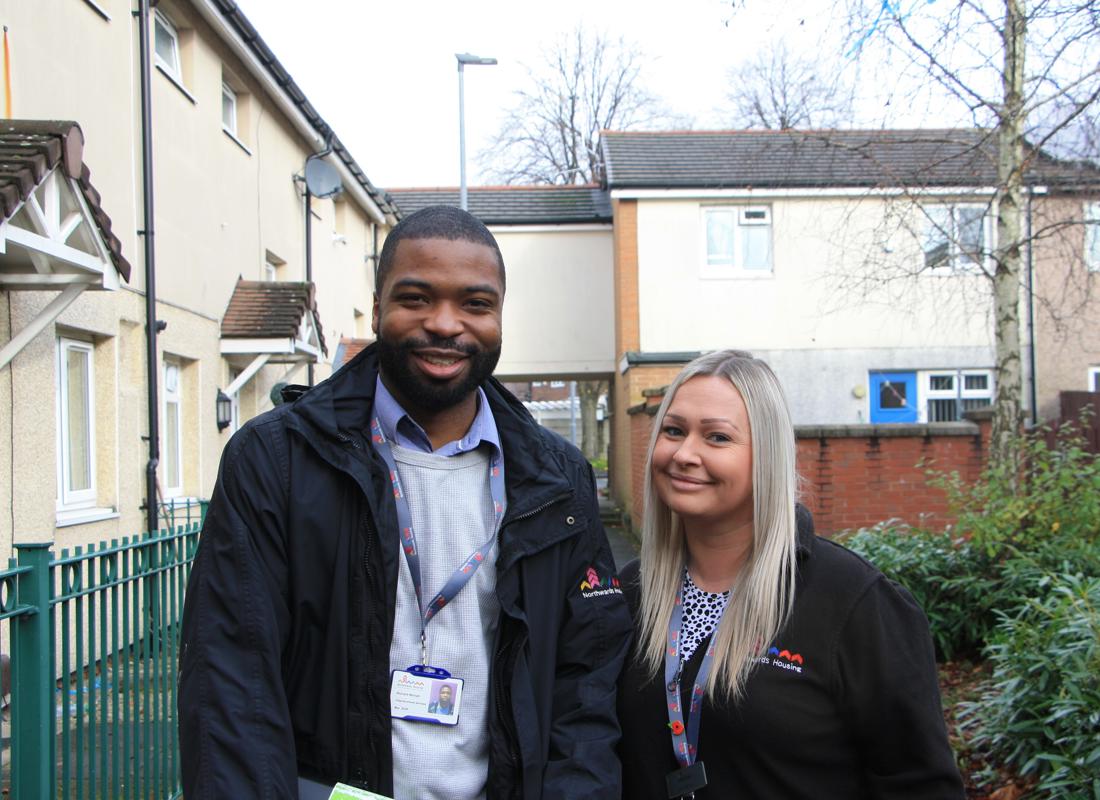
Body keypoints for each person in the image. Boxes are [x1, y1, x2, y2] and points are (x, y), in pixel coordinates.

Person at [178, 205, 633, 799]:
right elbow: (230, 683)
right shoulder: (276, 460)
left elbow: (587, 683)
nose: (446, 324)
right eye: (416, 298)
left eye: (475, 304)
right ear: (376, 308)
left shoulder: (557, 479)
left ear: (499, 315)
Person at [617, 350, 965, 799]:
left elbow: (920, 786)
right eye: (673, 431)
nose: (685, 454)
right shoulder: (628, 595)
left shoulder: (854, 604)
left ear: (767, 455)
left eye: (717, 437)